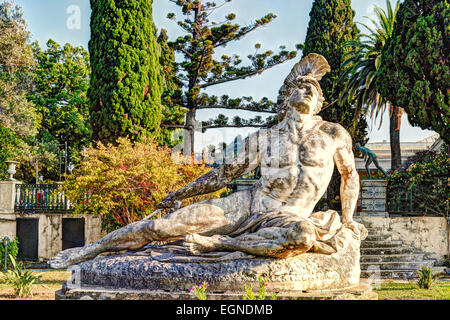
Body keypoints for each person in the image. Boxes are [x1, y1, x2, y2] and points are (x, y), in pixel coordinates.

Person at [49, 54, 367, 269]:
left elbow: (349, 175)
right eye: (301, 84)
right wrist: (180, 194)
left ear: (321, 101)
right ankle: (91, 250)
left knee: (303, 236)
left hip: (289, 217)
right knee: (163, 226)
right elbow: (221, 176)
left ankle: (220, 244)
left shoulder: (333, 133)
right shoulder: (264, 137)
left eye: (314, 87)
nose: (308, 90)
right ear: (286, 96)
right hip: (249, 204)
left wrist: (349, 217)